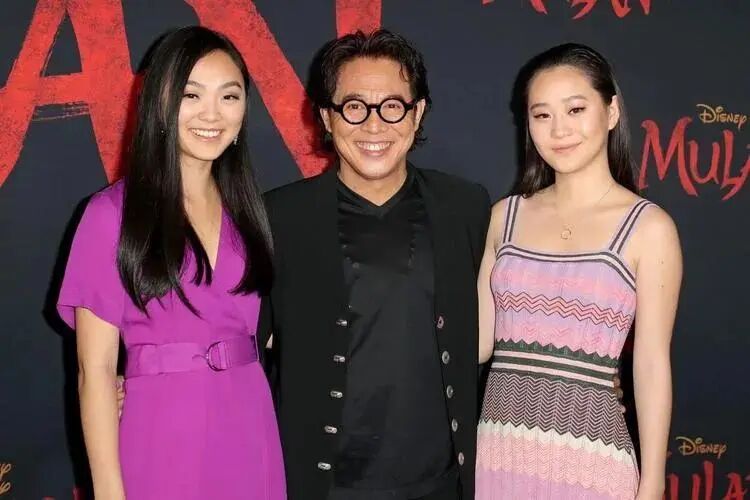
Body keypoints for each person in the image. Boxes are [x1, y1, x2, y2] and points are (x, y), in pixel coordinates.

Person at [260, 29, 490, 500]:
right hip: (322, 485)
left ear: (417, 113)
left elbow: (506, 318)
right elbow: (237, 338)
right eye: (354, 106)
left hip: (440, 484)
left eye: (392, 106)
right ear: (326, 116)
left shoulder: (465, 207)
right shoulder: (279, 217)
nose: (373, 125)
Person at [56, 26, 285, 500]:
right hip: (161, 431)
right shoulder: (111, 214)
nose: (212, 114)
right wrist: (108, 492)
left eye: (229, 96)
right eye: (191, 95)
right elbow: (95, 371)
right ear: (160, 102)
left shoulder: (248, 212)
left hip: (250, 426)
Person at [475, 43, 682, 499]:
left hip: (592, 465)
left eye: (575, 109)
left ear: (611, 112)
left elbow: (651, 365)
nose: (559, 130)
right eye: (542, 115)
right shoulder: (503, 218)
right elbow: (477, 342)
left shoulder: (648, 228)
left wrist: (651, 484)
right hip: (499, 456)